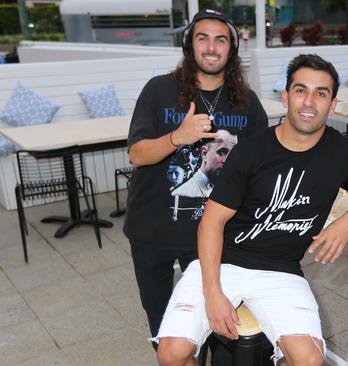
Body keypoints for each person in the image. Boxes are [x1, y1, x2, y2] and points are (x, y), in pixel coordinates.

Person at [153, 54, 348, 366]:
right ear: (286, 97)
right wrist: (213, 292)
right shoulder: (251, 151)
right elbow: (212, 221)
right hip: (225, 262)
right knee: (171, 353)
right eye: (301, 90)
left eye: (321, 93)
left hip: (281, 270)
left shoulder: (345, 153)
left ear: (333, 104)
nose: (309, 102)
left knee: (310, 361)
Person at [124, 8, 268, 354]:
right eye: (202, 38)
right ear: (190, 46)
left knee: (211, 320)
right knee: (162, 324)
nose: (211, 47)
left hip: (211, 234)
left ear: (231, 49)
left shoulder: (247, 104)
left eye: (221, 40)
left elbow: (262, 167)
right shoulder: (159, 91)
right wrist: (178, 136)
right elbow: (137, 154)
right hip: (152, 230)